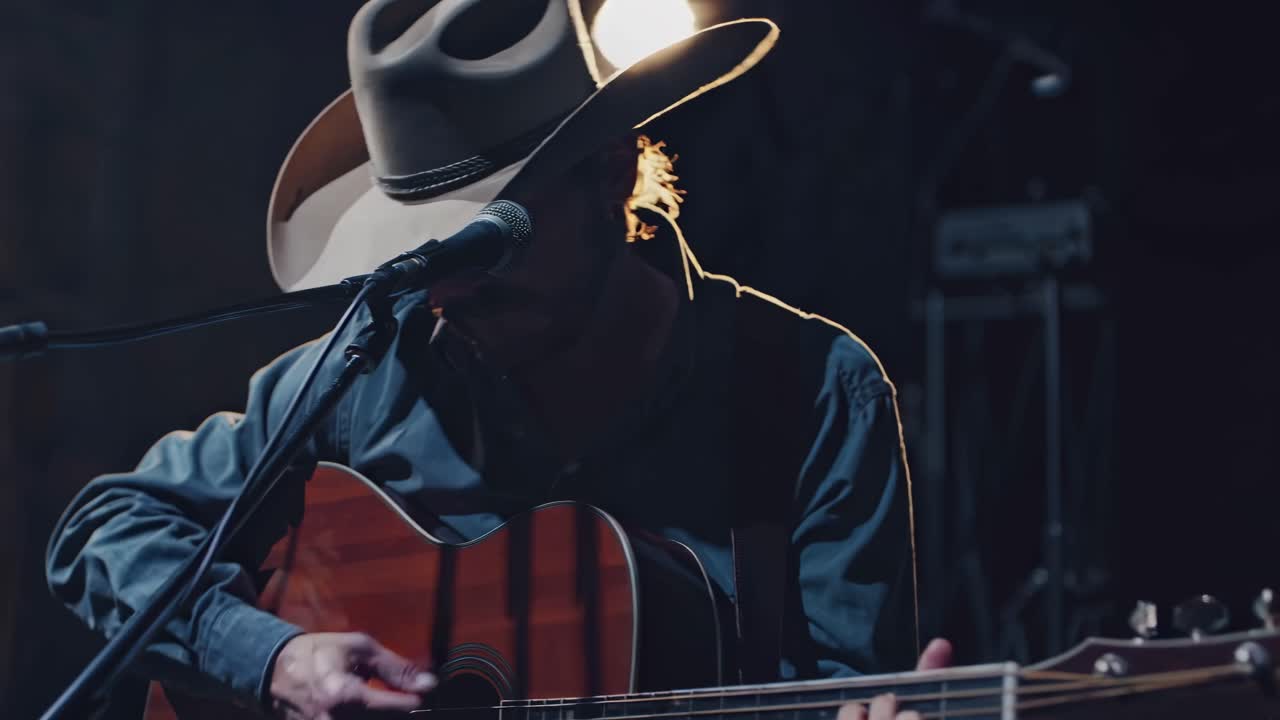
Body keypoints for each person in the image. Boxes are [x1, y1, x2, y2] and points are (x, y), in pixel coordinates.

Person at [45, 2, 944, 719]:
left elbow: (850, 688)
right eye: (427, 252)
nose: (452, 290)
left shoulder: (813, 390)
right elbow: (105, 527)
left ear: (610, 173)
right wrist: (274, 657)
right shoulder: (375, 373)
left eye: (485, 244)